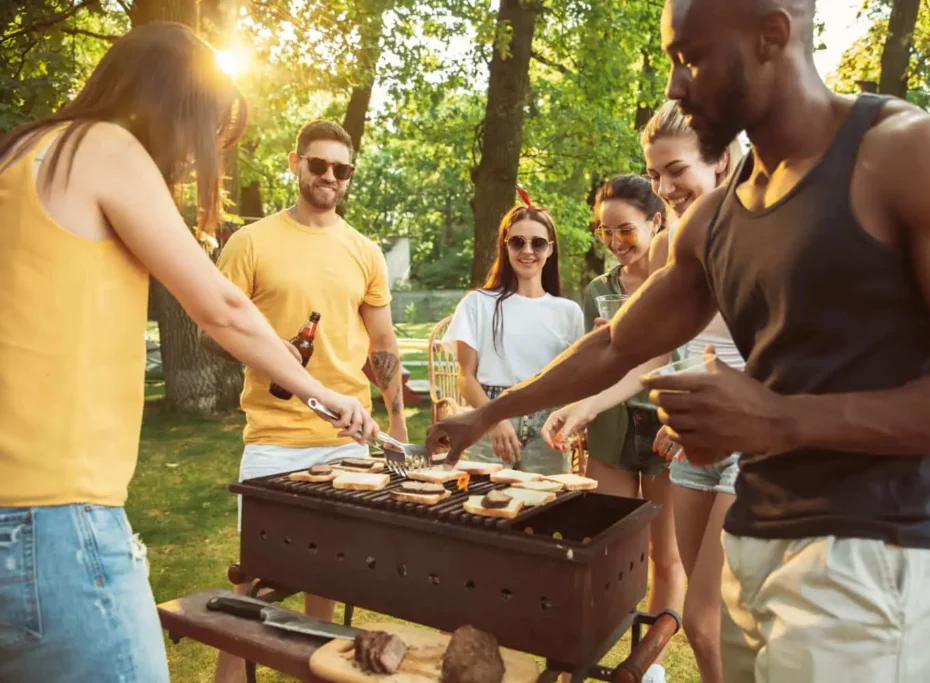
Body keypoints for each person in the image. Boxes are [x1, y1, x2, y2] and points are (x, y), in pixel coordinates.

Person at [427, 0, 930, 681]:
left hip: (878, 557)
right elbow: (617, 343)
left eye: (691, 60)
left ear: (772, 34)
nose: (676, 87)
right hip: (757, 546)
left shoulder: (909, 155)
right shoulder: (712, 218)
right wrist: (490, 411)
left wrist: (782, 418)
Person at [0, 23, 377, 683]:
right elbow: (223, 308)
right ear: (176, 106)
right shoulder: (105, 147)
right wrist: (328, 395)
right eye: (207, 133)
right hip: (52, 518)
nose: (193, 158)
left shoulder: (21, 153)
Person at [543, 103, 744, 683]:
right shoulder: (677, 244)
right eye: (654, 175)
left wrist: (710, 395)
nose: (664, 188)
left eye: (674, 171)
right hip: (692, 450)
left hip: (745, 443)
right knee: (709, 625)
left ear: (722, 160)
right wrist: (589, 404)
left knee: (707, 620)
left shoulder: (762, 234)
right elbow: (649, 351)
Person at [206, 119, 406, 682]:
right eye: (318, 164)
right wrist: (266, 355)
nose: (329, 177)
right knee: (250, 579)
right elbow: (212, 329)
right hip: (273, 441)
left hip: (348, 446)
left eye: (341, 169)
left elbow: (383, 348)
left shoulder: (364, 251)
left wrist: (395, 419)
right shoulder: (250, 241)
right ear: (295, 163)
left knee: (333, 581)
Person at [541, 174, 683, 683]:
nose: (615, 243)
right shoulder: (599, 290)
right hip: (612, 427)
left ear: (656, 222)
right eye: (605, 233)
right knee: (611, 547)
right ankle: (598, 650)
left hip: (668, 425)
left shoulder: (678, 279)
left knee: (665, 555)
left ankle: (649, 665)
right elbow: (591, 365)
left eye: (625, 231)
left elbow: (679, 354)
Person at [443, 189, 584, 474]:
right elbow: (466, 377)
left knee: (547, 511)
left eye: (538, 243)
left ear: (551, 248)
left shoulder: (569, 312)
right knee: (484, 511)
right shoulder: (478, 303)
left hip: (548, 426)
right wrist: (493, 419)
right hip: (490, 418)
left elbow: (576, 380)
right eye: (517, 242)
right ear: (505, 247)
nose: (527, 251)